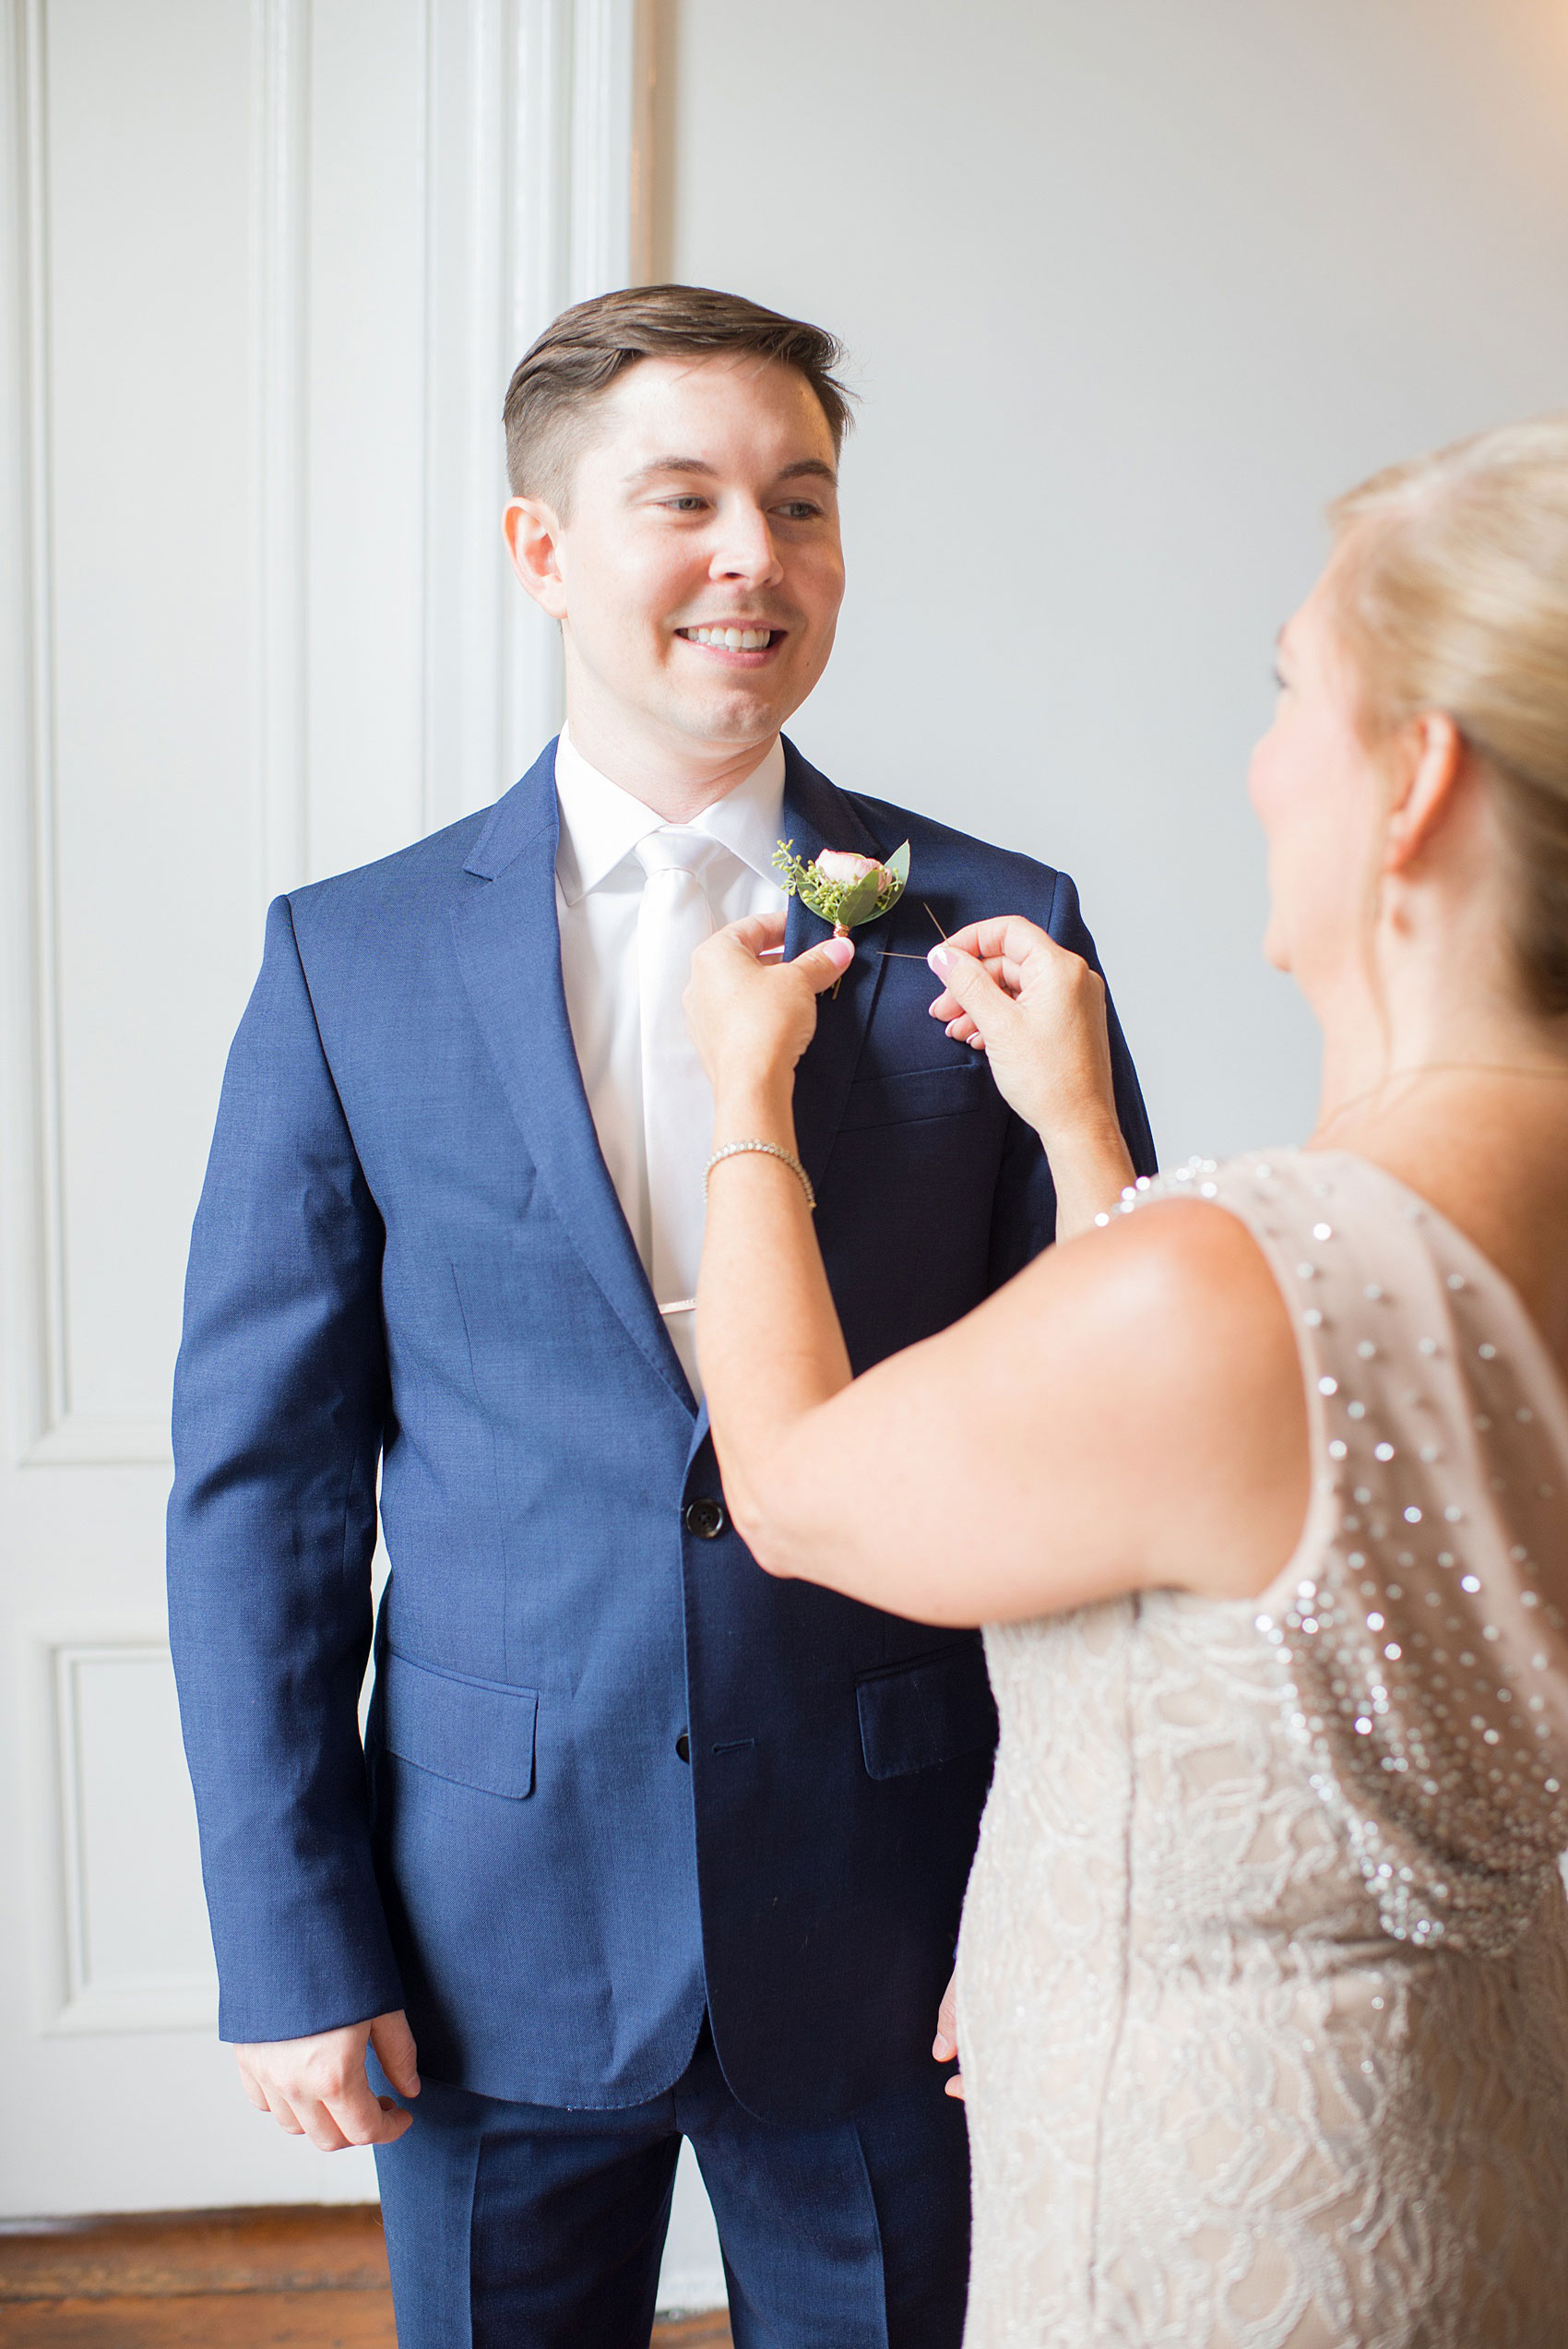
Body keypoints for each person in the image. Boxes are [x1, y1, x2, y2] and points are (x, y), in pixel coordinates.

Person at [165, 285, 1155, 2348]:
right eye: (684, 499)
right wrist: (288, 1937)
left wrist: (1060, 1894)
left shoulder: (1002, 927)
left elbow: (1109, 1461)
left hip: (900, 1907)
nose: (755, 560)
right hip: (481, 1926)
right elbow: (257, 1490)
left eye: (800, 504)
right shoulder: (347, 963)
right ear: (541, 550)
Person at [685, 412, 1568, 2347]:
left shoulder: (1231, 1287)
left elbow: (797, 1488)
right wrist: (1084, 1148)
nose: (1258, 759)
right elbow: (1267, 1488)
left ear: (1412, 781)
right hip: (1495, 2177)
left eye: (1286, 693)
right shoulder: (1268, 1281)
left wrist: (738, 1103)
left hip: (1232, 2241)